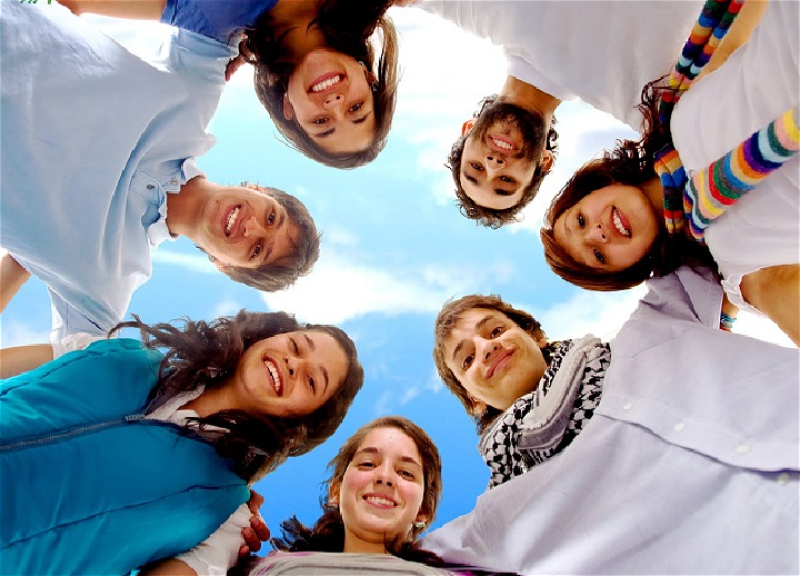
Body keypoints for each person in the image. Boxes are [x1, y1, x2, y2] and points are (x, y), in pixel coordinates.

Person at [0, 2, 320, 357]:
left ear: (226, 267)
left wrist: (20, 262)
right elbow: (227, 13)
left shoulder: (105, 286)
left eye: (257, 250)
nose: (252, 227)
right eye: (271, 217)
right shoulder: (194, 98)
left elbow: (68, 360)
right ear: (257, 190)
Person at [424, 275, 799, 574]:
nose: (486, 348)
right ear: (474, 400)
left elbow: (699, 240)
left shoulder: (653, 326)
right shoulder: (498, 522)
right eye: (467, 358)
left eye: (494, 331)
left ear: (534, 335)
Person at [0, 310, 365, 576]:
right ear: (270, 335)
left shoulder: (225, 515)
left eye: (312, 382)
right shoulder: (120, 353)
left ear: (301, 420)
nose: (293, 364)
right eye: (296, 345)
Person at [541, 0, 799, 345]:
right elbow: (781, 288)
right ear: (632, 268)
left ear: (598, 187)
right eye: (599, 256)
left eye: (581, 221)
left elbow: (737, 32)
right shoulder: (737, 264)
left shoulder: (676, 112)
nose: (597, 234)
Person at [417, 0, 763, 227]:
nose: (493, 166)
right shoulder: (646, 105)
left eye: (475, 167)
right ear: (544, 163)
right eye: (507, 182)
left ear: (468, 129)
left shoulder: (480, 11)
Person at [61, 0, 401, 169]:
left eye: (321, 122)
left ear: (289, 108)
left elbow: (72, 3)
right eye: (356, 108)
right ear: (368, 76)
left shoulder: (209, 17)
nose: (335, 104)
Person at [233, 416, 511, 575]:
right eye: (368, 464)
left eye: (406, 473)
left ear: (423, 510)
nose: (385, 477)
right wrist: (228, 517)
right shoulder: (263, 569)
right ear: (335, 491)